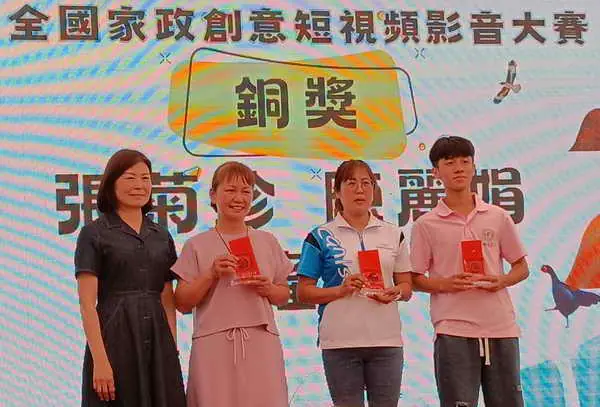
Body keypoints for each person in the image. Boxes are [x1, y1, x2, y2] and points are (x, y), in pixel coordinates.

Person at [410, 136, 529, 407]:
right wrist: (446, 284)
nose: (459, 168)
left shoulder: (497, 216)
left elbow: (521, 267)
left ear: (474, 167)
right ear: (436, 172)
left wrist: (501, 280)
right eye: (450, 163)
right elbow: (414, 278)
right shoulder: (426, 224)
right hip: (453, 328)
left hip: (501, 327)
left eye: (465, 161)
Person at [172, 161, 292, 407]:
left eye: (246, 191)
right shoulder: (196, 245)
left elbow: (284, 295)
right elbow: (182, 302)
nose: (239, 198)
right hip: (213, 344)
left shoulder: (267, 241)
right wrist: (211, 274)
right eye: (230, 190)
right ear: (213, 195)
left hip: (261, 341)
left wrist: (268, 289)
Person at [297, 159, 413, 407]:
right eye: (351, 183)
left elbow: (406, 287)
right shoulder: (320, 236)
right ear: (336, 192)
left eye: (366, 183)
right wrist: (340, 290)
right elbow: (303, 292)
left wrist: (394, 292)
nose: (360, 190)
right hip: (340, 342)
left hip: (386, 341)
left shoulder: (394, 234)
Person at [75, 149, 185, 407]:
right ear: (111, 183)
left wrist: (171, 348)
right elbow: (87, 304)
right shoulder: (93, 234)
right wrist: (100, 360)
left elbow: (166, 297)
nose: (139, 185)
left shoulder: (161, 235)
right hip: (115, 338)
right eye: (130, 177)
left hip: (158, 341)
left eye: (145, 178)